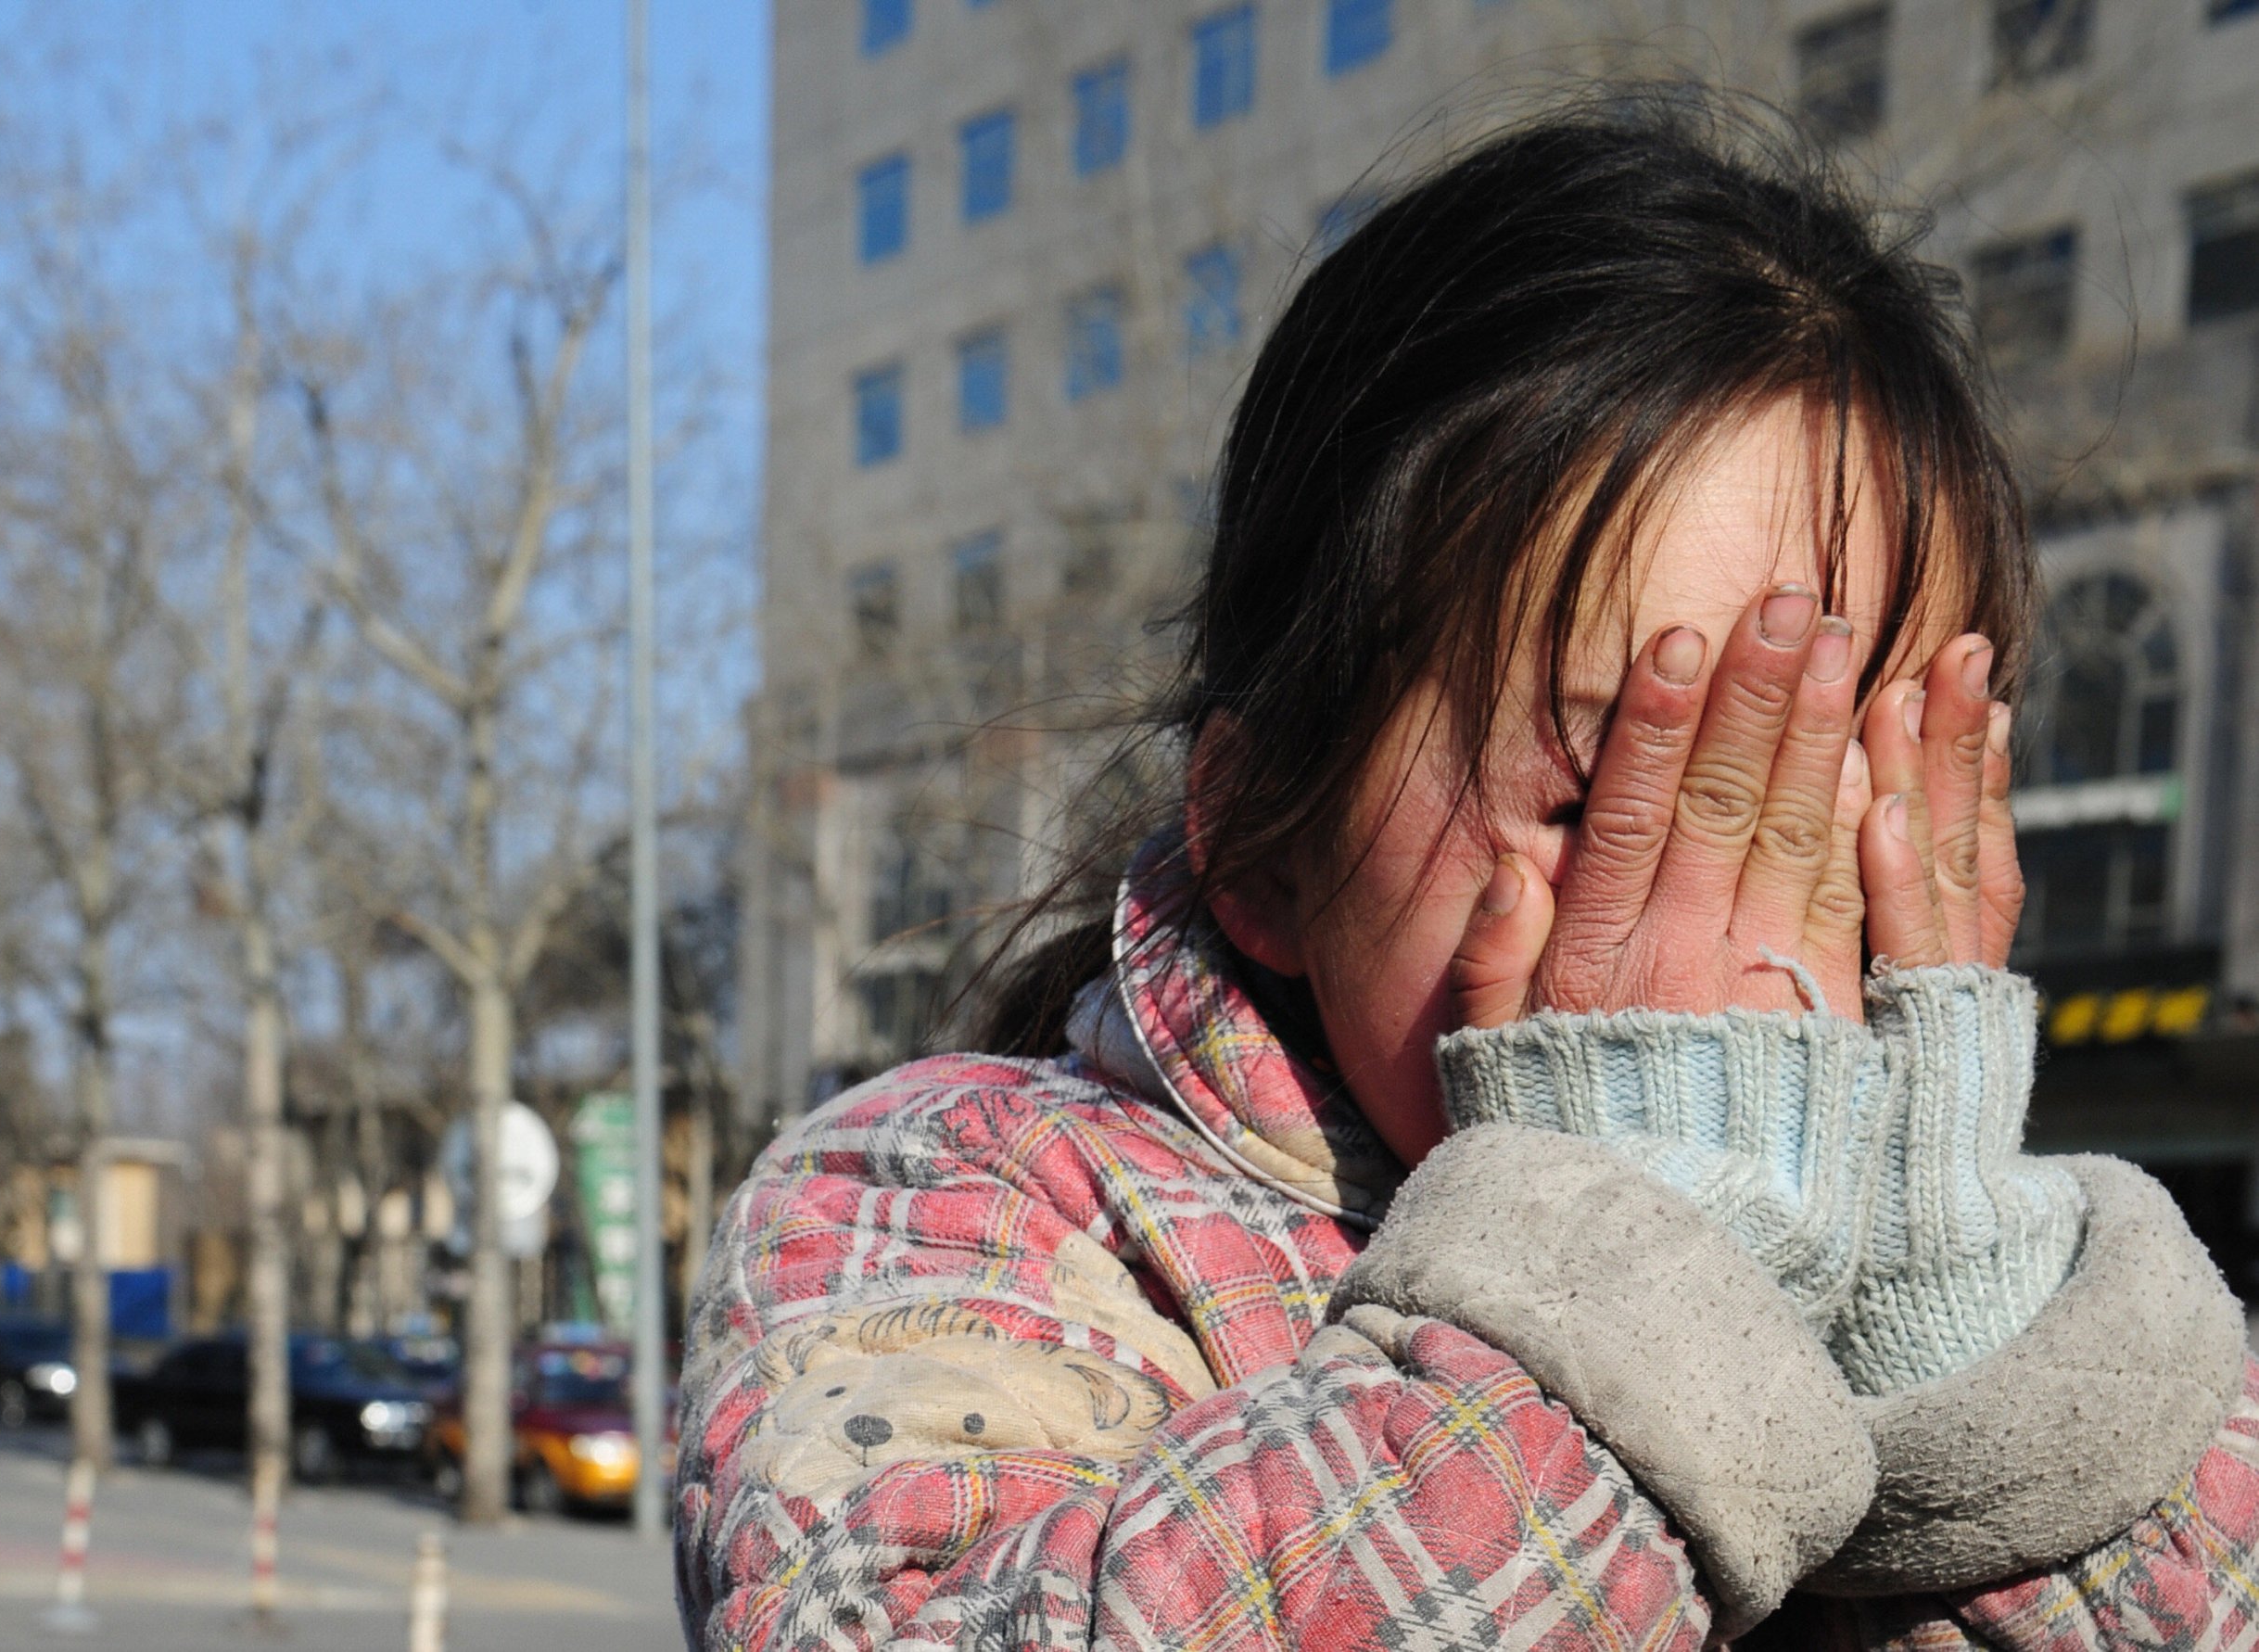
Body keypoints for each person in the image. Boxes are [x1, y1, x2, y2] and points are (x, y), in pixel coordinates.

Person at [673, 96, 2259, 1649]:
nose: (1745, 946)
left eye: (1832, 828)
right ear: (1267, 839)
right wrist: (1625, 1283)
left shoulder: (2013, 1287)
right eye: (1603, 801)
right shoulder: (957, 1196)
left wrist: (1980, 1357)